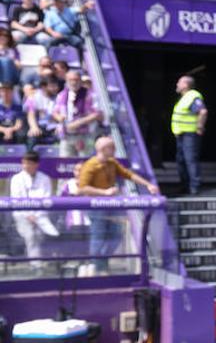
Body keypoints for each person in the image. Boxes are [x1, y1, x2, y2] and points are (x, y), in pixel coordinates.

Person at [76, 136, 159, 269]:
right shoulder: (90, 165)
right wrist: (105, 192)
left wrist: (148, 185)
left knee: (116, 235)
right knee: (98, 237)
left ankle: (102, 261)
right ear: (103, 149)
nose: (114, 150)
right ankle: (97, 267)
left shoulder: (112, 162)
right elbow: (82, 188)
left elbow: (129, 175)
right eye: (112, 147)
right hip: (96, 208)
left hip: (112, 206)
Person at [10, 150, 58, 267]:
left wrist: (36, 216)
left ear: (36, 164)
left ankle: (38, 260)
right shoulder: (16, 179)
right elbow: (16, 200)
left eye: (29, 163)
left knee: (45, 235)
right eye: (24, 163)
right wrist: (28, 215)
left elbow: (47, 199)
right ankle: (36, 265)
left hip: (40, 216)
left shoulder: (45, 179)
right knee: (31, 235)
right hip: (22, 216)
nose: (26, 166)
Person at [171, 75, 206, 195]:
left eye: (179, 83)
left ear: (185, 85)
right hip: (181, 135)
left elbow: (202, 111)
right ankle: (185, 185)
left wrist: (200, 126)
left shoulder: (193, 96)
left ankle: (194, 186)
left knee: (190, 160)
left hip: (190, 135)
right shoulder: (184, 98)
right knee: (181, 161)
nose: (177, 85)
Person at [54, 69, 102, 157]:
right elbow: (55, 112)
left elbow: (97, 114)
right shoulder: (61, 95)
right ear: (66, 81)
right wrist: (59, 118)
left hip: (85, 135)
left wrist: (78, 123)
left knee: (85, 163)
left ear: (80, 80)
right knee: (65, 163)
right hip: (66, 136)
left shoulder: (90, 95)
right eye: (70, 80)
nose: (73, 82)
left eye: (76, 80)